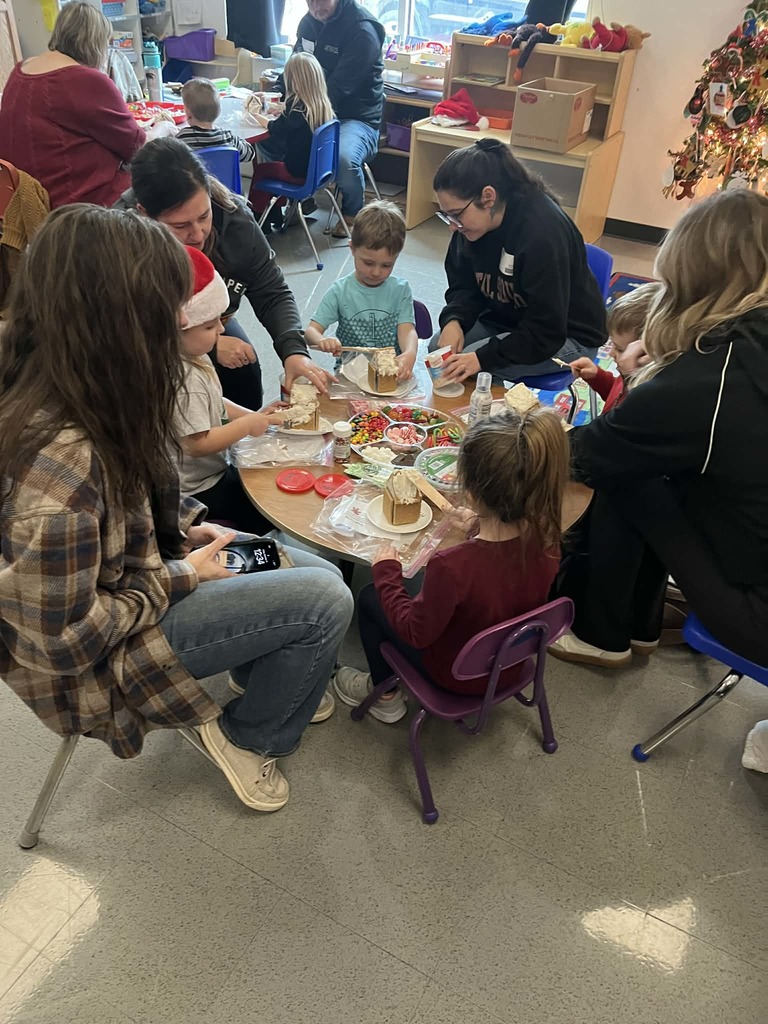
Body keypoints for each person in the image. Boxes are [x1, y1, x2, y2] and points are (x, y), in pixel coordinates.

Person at [0, 204, 353, 812]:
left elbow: (146, 489)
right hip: (102, 661)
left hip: (144, 574)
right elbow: (63, 646)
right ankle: (247, 736)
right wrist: (184, 574)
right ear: (121, 324)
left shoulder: (92, 390)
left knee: (319, 573)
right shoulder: (61, 469)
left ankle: (262, 665)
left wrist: (187, 524)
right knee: (327, 600)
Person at [551, 190, 768, 669]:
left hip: (757, 610)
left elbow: (592, 453)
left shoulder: (712, 374)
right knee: (652, 473)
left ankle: (600, 635)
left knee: (623, 477)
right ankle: (639, 625)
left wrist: (515, 439)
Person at [333, 410, 568, 721]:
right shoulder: (549, 537)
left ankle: (385, 697)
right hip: (512, 664)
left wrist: (386, 572)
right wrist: (476, 525)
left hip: (455, 676)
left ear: (469, 492)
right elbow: (505, 580)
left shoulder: (451, 566)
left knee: (368, 596)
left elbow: (414, 632)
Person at [116, 138, 333, 408]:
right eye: (180, 225)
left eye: (204, 216)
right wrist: (210, 346)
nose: (197, 235)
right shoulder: (120, 243)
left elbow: (272, 292)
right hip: (144, 341)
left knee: (244, 373)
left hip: (208, 321)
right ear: (145, 214)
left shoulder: (236, 219)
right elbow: (121, 332)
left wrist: (294, 352)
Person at [430, 139, 606, 386]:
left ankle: (488, 423)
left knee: (471, 371)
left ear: (488, 197)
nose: (452, 225)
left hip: (566, 336)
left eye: (456, 214)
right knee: (439, 353)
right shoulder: (470, 228)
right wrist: (454, 320)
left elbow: (545, 332)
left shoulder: (541, 233)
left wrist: (482, 358)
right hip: (509, 320)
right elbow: (464, 286)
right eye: (446, 215)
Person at [175, 245, 285, 534]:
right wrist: (248, 425)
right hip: (198, 490)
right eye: (211, 326)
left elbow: (215, 401)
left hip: (211, 472)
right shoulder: (185, 381)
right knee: (269, 508)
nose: (222, 332)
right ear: (180, 327)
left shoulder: (195, 356)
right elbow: (197, 444)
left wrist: (258, 415)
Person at [257, 0, 385, 237]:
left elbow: (338, 88)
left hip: (355, 117)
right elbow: (295, 69)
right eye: (310, 0)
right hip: (315, 109)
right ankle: (292, 202)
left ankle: (352, 213)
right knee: (267, 140)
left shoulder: (362, 31)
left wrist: (296, 111)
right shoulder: (308, 23)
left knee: (343, 158)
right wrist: (275, 95)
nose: (316, 6)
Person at [0, 2, 145, 208]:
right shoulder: (85, 80)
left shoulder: (20, 70)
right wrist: (162, 128)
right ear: (96, 44)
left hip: (28, 204)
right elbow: (136, 147)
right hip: (79, 206)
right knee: (164, 173)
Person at [304, 201, 418, 380]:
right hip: (349, 375)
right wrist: (321, 340)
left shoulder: (400, 290)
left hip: (389, 374)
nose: (376, 272)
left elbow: (407, 330)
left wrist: (409, 353)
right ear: (352, 249)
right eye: (368, 263)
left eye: (387, 265)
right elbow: (311, 332)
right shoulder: (340, 291)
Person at [246, 52, 334, 225]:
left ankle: (257, 216)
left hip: (297, 173)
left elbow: (274, 128)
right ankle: (274, 214)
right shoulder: (321, 105)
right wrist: (280, 109)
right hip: (317, 172)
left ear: (293, 80)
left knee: (262, 171)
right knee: (270, 166)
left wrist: (256, 114)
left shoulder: (296, 110)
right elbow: (291, 121)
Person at [570, 283, 660, 413]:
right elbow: (616, 393)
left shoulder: (646, 403)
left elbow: (621, 408)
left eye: (620, 349)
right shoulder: (629, 374)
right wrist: (597, 376)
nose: (611, 353)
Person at [178, 78, 258, 163]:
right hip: (224, 177)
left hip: (195, 177)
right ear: (219, 111)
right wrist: (237, 139)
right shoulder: (227, 137)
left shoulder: (182, 138)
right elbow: (250, 154)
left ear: (187, 112)